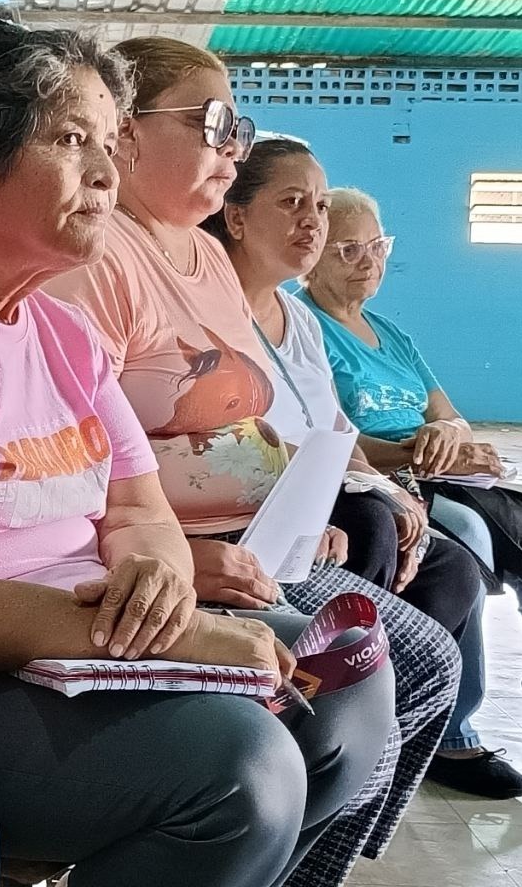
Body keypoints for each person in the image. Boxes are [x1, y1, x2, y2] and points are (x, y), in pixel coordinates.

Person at [0, 5, 395, 887]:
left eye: (111, 143)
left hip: (68, 648)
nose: (105, 171)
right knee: (244, 771)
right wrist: (182, 640)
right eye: (72, 140)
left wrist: (160, 580)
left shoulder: (59, 333)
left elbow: (137, 505)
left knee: (344, 691)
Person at [41, 38, 457, 883]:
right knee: (377, 676)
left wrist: (302, 506)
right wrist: (178, 558)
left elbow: (251, 415)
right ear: (123, 134)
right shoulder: (100, 261)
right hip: (175, 561)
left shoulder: (202, 257)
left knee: (413, 668)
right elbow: (69, 461)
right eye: (214, 123)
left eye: (241, 124)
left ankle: (282, 869)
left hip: (257, 542)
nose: (235, 144)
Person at [299, 185, 522, 798]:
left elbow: (451, 415)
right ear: (315, 255)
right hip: (386, 478)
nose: (370, 261)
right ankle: (453, 733)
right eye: (350, 249)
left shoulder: (392, 334)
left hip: (443, 471)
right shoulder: (305, 324)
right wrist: (415, 449)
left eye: (378, 246)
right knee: (463, 541)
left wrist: (446, 432)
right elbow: (331, 435)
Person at [203, 137, 483, 644]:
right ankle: (346, 685)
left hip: (329, 493)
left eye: (321, 206)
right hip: (260, 504)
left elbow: (339, 433)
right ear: (237, 218)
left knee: (452, 568)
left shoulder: (300, 322)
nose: (312, 220)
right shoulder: (209, 313)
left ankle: (390, 702)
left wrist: (390, 487)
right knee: (370, 524)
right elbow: (216, 443)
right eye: (292, 203)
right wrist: (364, 495)